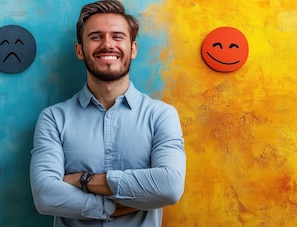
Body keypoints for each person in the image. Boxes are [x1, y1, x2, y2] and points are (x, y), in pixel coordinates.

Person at [29, 0, 186, 226]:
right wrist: (111, 207)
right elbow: (45, 196)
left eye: (117, 36)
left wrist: (84, 180)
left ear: (132, 49)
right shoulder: (53, 119)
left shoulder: (161, 115)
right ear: (80, 50)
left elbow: (169, 187)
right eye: (95, 37)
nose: (107, 45)